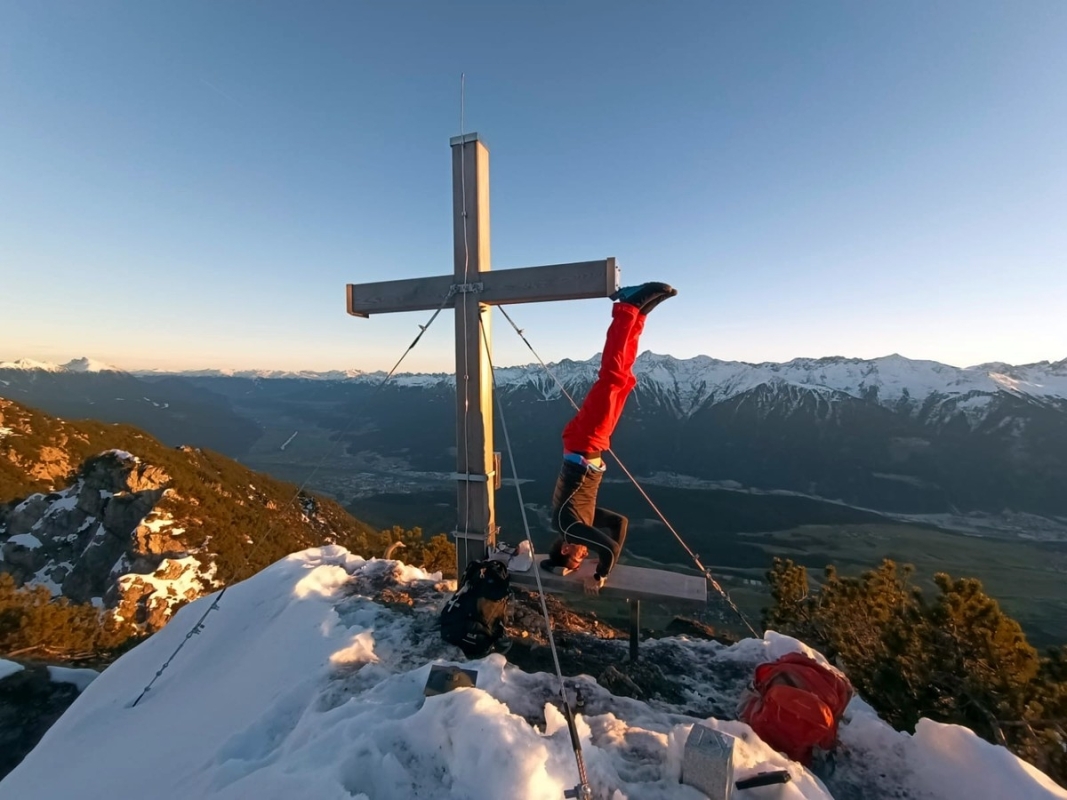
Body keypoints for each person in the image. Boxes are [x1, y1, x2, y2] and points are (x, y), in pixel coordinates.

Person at [544, 281, 677, 594]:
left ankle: (627, 308)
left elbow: (608, 551)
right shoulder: (581, 524)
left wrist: (600, 576)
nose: (584, 555)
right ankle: (638, 316)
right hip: (589, 444)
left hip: (584, 441)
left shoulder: (569, 527)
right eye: (583, 560)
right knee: (624, 380)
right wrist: (603, 566)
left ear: (565, 549)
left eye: (578, 559)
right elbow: (620, 524)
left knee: (613, 377)